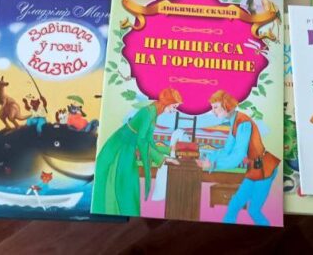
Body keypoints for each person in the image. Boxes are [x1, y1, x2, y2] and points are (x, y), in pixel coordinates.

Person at [92, 87, 182, 216]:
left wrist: (168, 150)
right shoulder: (148, 113)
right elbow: (142, 141)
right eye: (174, 106)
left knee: (129, 186)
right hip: (119, 149)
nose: (174, 110)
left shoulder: (153, 112)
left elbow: (149, 141)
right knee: (122, 184)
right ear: (166, 103)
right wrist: (162, 158)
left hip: (128, 149)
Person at [196, 90, 280, 226]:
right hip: (255, 168)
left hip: (265, 168)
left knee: (254, 211)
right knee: (234, 205)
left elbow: (238, 155)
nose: (213, 112)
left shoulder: (243, 122)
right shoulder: (234, 121)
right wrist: (209, 158)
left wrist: (213, 165)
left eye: (215, 107)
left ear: (227, 105)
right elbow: (227, 150)